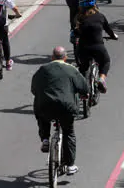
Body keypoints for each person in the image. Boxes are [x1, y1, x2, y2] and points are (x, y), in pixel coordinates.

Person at [31, 46, 88, 176]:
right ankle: (70, 166)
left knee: (42, 116)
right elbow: (84, 87)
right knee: (69, 133)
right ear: (65, 58)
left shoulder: (42, 70)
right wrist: (85, 95)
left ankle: (45, 139)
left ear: (52, 57)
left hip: (45, 106)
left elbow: (34, 89)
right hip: (66, 108)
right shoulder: (71, 70)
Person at [74, 0, 118, 93]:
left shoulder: (78, 19)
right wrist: (113, 36)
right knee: (106, 62)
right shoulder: (100, 16)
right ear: (94, 5)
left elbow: (75, 33)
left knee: (83, 68)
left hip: (83, 48)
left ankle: (82, 91)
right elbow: (108, 30)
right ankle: (101, 79)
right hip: (98, 46)